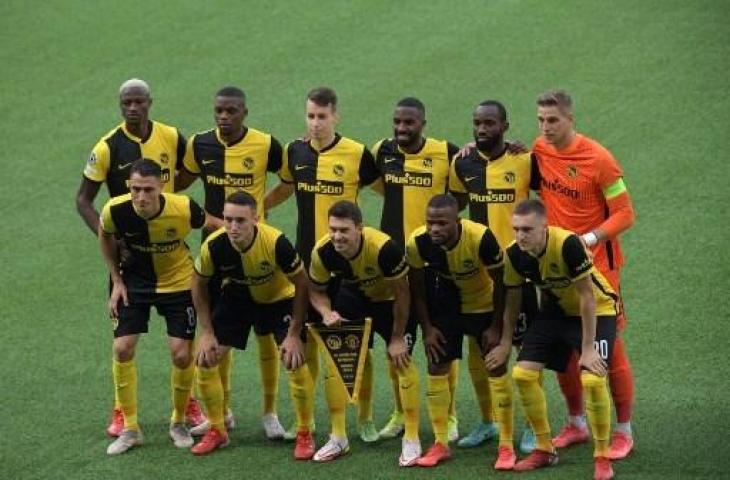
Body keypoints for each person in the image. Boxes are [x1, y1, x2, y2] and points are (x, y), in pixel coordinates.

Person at [75, 78, 204, 437]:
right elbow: (83, 200)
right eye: (126, 103)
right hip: (130, 260)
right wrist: (112, 240)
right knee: (123, 343)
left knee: (181, 347)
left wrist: (171, 203)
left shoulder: (172, 137)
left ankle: (188, 404)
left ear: (150, 102)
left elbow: (191, 168)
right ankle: (121, 412)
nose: (132, 108)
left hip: (170, 251)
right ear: (121, 106)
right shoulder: (106, 147)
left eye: (138, 102)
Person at [265, 86, 380, 441]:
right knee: (310, 339)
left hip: (346, 264)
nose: (315, 123)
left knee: (355, 342)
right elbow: (286, 186)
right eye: (311, 116)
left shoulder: (357, 153)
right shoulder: (295, 151)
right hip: (305, 262)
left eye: (322, 117)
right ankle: (312, 420)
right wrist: (261, 207)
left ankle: (365, 416)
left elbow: (387, 188)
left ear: (336, 116)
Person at [178, 86, 287, 440]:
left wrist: (263, 208)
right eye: (219, 111)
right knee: (218, 329)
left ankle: (270, 412)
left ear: (245, 112)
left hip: (257, 249)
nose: (224, 117)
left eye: (231, 111)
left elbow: (290, 178)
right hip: (214, 251)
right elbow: (180, 180)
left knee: (265, 331)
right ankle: (221, 411)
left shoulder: (265, 144)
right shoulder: (199, 145)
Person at [532, 90, 636, 459]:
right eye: (541, 120)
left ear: (571, 119)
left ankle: (623, 431)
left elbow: (626, 213)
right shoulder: (539, 151)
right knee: (563, 346)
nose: (546, 127)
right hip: (554, 268)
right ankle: (576, 423)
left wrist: (589, 238)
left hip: (600, 270)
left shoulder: (600, 160)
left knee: (610, 349)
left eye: (553, 120)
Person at [485, 198, 617, 480]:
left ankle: (602, 456)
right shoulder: (515, 254)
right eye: (516, 229)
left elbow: (587, 297)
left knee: (593, 379)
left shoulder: (568, 244)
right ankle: (544, 449)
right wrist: (506, 341)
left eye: (527, 229)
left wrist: (588, 348)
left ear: (544, 227)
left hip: (597, 310)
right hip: (555, 311)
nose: (520, 235)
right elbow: (513, 299)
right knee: (521, 374)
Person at [99, 159, 212, 455]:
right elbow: (104, 233)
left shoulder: (184, 207)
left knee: (181, 354)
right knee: (122, 348)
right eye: (135, 189)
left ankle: (178, 422)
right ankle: (130, 428)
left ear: (161, 186)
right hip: (134, 283)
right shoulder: (115, 210)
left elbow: (213, 224)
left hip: (178, 284)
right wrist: (116, 280)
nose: (141, 197)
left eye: (148, 190)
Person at [190, 191, 315, 458]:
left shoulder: (276, 242)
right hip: (238, 299)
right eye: (228, 220)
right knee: (205, 358)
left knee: (294, 360)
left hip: (279, 300)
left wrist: (294, 333)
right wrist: (207, 332)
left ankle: (305, 432)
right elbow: (198, 283)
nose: (233, 227)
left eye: (240, 221)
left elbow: (302, 283)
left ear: (255, 219)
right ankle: (217, 429)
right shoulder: (214, 245)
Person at [449, 100, 540, 452]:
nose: (482, 129)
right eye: (477, 123)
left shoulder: (523, 159)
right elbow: (453, 205)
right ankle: (489, 421)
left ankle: (533, 425)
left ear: (504, 125)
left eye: (489, 123)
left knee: (523, 348)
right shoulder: (464, 162)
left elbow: (545, 201)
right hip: (479, 274)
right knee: (479, 348)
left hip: (519, 270)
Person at [370, 97, 460, 442]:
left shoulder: (446, 152)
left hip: (436, 262)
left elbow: (461, 193)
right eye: (397, 122)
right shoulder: (381, 151)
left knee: (441, 341)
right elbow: (372, 181)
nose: (401, 129)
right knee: (399, 341)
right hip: (393, 263)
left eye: (409, 123)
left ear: (423, 123)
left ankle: (449, 416)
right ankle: (399, 411)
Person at [308, 201, 421, 466]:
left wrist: (396, 337)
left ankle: (412, 438)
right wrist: (326, 313)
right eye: (333, 229)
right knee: (338, 357)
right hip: (355, 296)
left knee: (400, 360)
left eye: (344, 230)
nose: (337, 236)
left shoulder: (384, 249)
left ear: (359, 228)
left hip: (392, 302)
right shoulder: (323, 251)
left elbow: (403, 293)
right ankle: (338, 437)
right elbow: (316, 290)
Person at [407, 194, 514, 470]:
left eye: (441, 223)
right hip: (448, 304)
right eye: (430, 223)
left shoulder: (480, 238)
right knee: (436, 363)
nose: (434, 229)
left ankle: (505, 443)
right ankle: (441, 443)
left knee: (495, 367)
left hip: (484, 304)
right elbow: (417, 290)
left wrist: (496, 327)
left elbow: (502, 283)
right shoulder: (418, 242)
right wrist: (428, 329)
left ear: (458, 221)